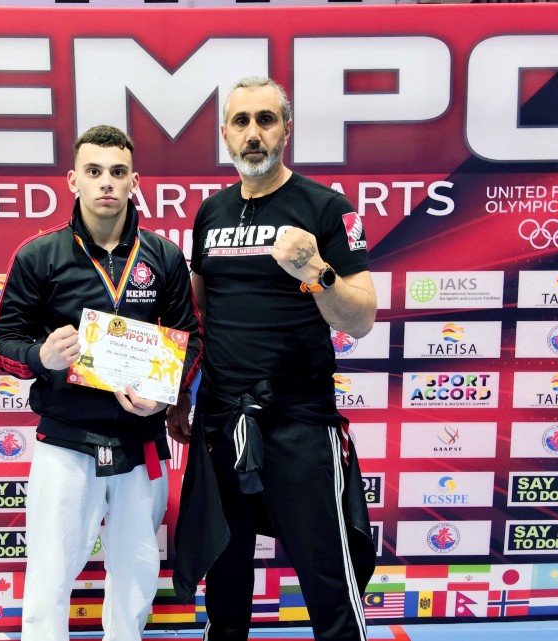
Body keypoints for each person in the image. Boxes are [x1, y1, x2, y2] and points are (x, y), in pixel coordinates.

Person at [169, 77, 377, 641]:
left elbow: (360, 318)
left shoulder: (325, 208)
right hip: (221, 418)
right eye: (241, 121)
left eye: (266, 119)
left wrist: (317, 271)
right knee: (225, 576)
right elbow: (198, 316)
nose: (253, 133)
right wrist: (179, 396)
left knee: (328, 578)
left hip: (299, 420)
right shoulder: (210, 214)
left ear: (287, 128)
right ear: (225, 134)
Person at [0, 125, 202, 641]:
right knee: (49, 575)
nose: (106, 181)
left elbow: (192, 340)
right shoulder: (39, 255)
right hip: (66, 442)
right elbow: (2, 341)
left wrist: (164, 395)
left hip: (141, 443)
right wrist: (40, 356)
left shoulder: (164, 256)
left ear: (134, 181)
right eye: (94, 171)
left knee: (135, 580)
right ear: (73, 180)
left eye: (117, 171)